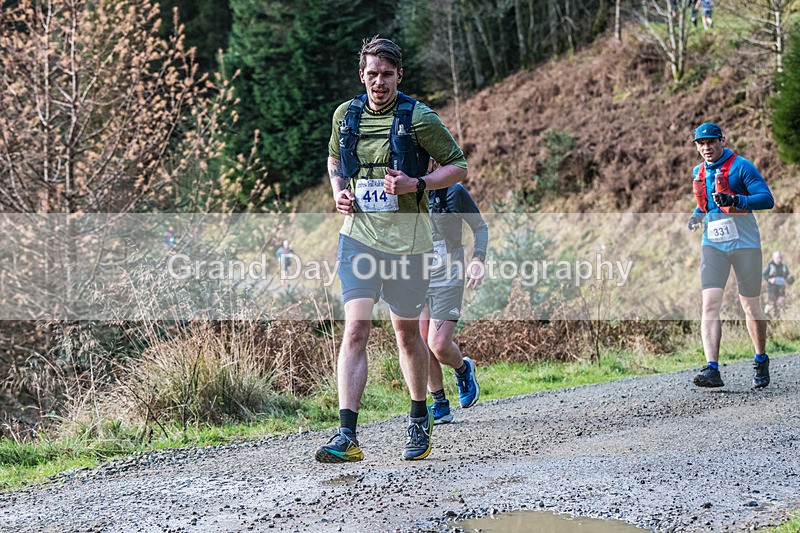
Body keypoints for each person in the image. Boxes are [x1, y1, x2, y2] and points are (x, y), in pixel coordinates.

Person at [315, 36, 467, 463]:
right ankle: (347, 435)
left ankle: (419, 417)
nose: (378, 82)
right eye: (371, 74)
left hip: (409, 243)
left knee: (404, 334)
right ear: (361, 75)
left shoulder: (419, 117)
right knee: (355, 330)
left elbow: (458, 165)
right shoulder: (345, 115)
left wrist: (417, 184)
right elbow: (333, 159)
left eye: (385, 74)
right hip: (358, 237)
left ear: (399, 75)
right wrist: (338, 192)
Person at [687, 122, 774, 389]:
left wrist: (738, 200)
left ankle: (760, 358)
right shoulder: (698, 171)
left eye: (711, 142)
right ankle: (712, 368)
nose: (706, 148)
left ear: (722, 140)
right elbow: (707, 202)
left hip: (745, 245)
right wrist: (697, 215)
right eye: (701, 144)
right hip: (713, 245)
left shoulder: (741, 166)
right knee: (710, 304)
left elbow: (767, 199)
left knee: (750, 305)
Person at [420, 169, 487, 425]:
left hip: (448, 276)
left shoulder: (453, 192)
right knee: (419, 342)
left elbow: (480, 227)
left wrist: (478, 259)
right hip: (415, 277)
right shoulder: (403, 195)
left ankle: (463, 369)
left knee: (438, 345)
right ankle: (439, 403)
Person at [763, 251, 794, 318]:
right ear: (773, 258)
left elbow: (787, 276)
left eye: (780, 258)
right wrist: (770, 279)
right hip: (772, 288)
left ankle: (778, 318)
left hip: (781, 288)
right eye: (777, 258)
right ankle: (766, 312)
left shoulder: (784, 266)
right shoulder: (770, 265)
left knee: (780, 303)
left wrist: (790, 280)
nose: (779, 259)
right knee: (772, 304)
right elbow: (764, 275)